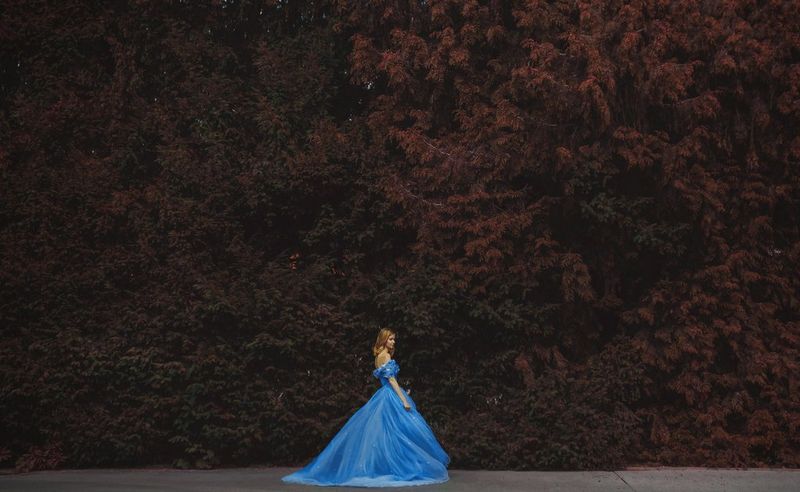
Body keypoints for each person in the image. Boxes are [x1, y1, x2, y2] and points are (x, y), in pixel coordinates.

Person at [281, 328, 450, 487]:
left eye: (394, 339)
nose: (393, 342)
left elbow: (388, 379)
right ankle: (402, 466)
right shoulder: (386, 357)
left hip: (386, 394)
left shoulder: (380, 356)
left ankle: (390, 465)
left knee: (391, 432)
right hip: (390, 395)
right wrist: (403, 399)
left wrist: (402, 392)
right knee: (401, 431)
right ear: (384, 340)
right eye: (391, 339)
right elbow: (391, 380)